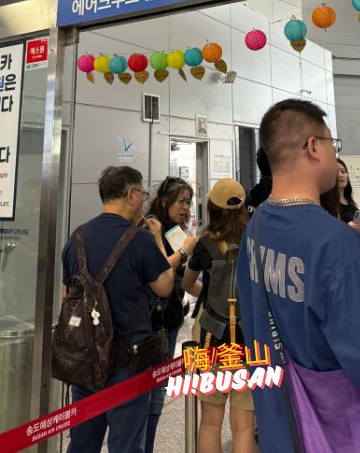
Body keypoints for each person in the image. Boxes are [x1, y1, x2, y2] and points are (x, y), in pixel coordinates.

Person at [237, 99, 360, 453]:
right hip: (347, 428)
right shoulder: (334, 242)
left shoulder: (255, 227)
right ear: (313, 147)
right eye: (333, 143)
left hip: (282, 417)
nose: (336, 154)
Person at [62, 165, 174, 453]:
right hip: (128, 363)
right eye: (143, 196)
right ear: (131, 195)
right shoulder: (140, 239)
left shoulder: (77, 238)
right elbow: (165, 286)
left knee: (82, 443)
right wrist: (158, 239)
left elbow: (68, 298)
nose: (143, 202)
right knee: (126, 445)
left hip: (86, 361)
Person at [182, 179, 258, 453]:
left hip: (209, 339)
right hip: (249, 340)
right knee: (244, 425)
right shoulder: (257, 241)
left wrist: (208, 293)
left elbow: (187, 284)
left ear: (212, 208)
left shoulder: (204, 244)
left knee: (210, 422)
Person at [144, 176, 198, 453]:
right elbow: (160, 270)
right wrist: (185, 250)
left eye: (188, 202)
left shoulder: (174, 230)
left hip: (171, 318)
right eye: (181, 201)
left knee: (159, 389)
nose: (185, 207)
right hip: (153, 322)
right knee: (150, 394)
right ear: (165, 201)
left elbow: (181, 276)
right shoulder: (151, 228)